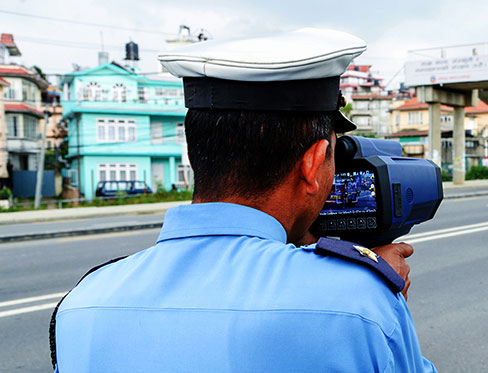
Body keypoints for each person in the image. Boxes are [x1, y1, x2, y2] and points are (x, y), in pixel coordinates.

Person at [51, 28, 436, 372]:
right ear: (313, 164)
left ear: (196, 156)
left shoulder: (81, 304)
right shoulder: (361, 304)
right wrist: (377, 288)